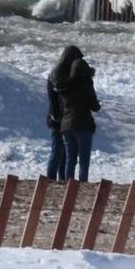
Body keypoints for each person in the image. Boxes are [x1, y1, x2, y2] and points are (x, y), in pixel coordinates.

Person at [55, 48, 100, 182]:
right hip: (83, 125)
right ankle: (82, 183)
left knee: (70, 159)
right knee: (84, 160)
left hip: (66, 126)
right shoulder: (86, 84)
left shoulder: (64, 86)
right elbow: (95, 106)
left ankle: (69, 184)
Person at [46, 46, 83, 180]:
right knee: (57, 152)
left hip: (65, 117)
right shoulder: (58, 72)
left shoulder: (66, 71)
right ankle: (50, 179)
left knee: (66, 154)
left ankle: (62, 178)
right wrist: (75, 79)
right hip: (56, 117)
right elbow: (58, 86)